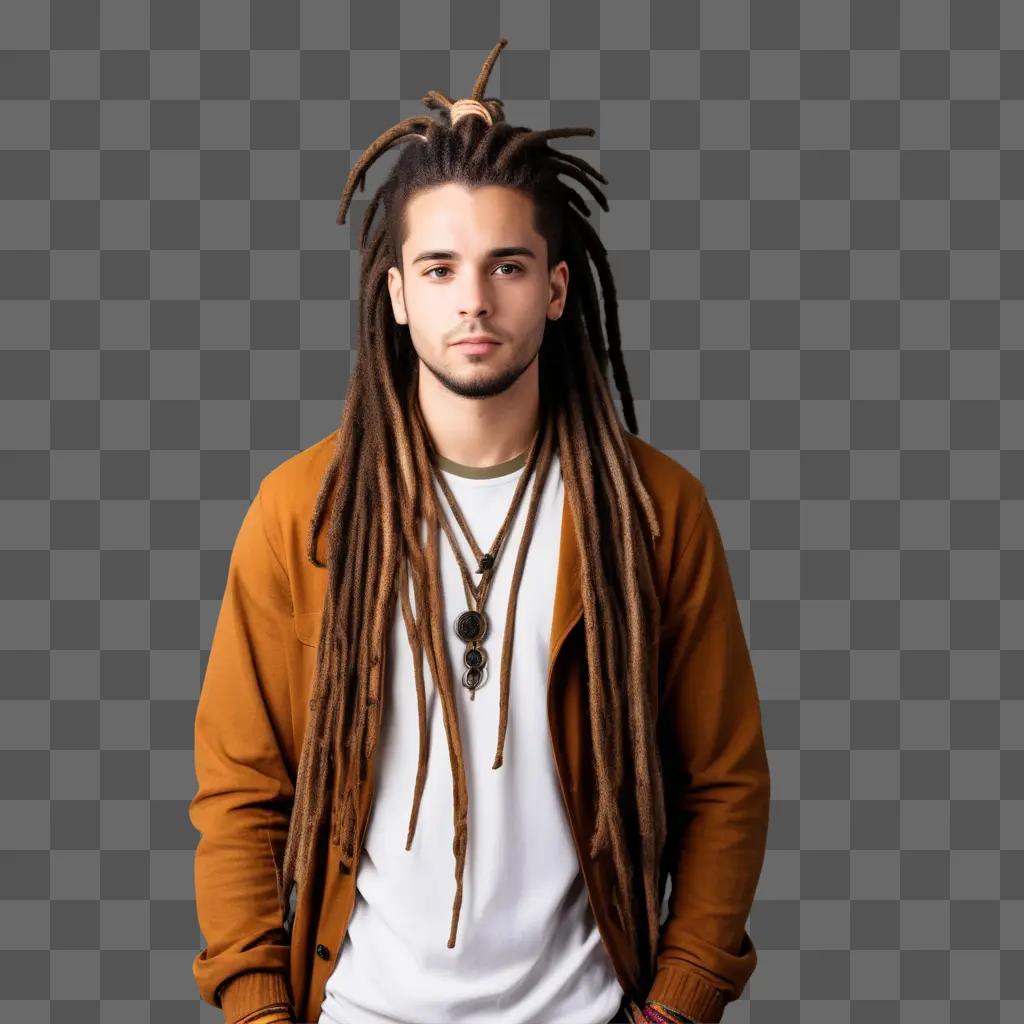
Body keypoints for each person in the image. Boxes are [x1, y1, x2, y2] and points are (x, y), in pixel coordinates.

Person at [190, 38, 770, 1024]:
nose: (473, 300)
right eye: (440, 266)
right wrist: (256, 1011)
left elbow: (723, 781)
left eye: (506, 265)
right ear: (396, 292)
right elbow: (242, 793)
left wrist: (677, 1004)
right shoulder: (305, 513)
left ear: (553, 287)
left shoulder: (652, 508)